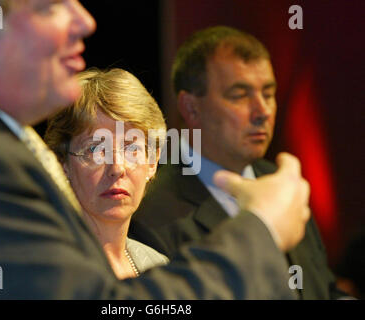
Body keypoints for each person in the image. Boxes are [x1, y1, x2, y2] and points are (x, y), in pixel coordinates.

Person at [0, 0, 309, 299]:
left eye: (133, 147)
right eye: (50, 4)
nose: (84, 20)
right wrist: (261, 229)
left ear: (154, 159)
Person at [129, 26, 346, 299]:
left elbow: (323, 289)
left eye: (268, 94)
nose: (262, 112)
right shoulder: (149, 211)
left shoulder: (282, 183)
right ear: (191, 108)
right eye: (240, 95)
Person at [44, 68, 169, 279]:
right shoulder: (42, 265)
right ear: (62, 163)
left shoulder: (159, 266)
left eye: (131, 149)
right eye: (95, 150)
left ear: (152, 163)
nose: (117, 168)